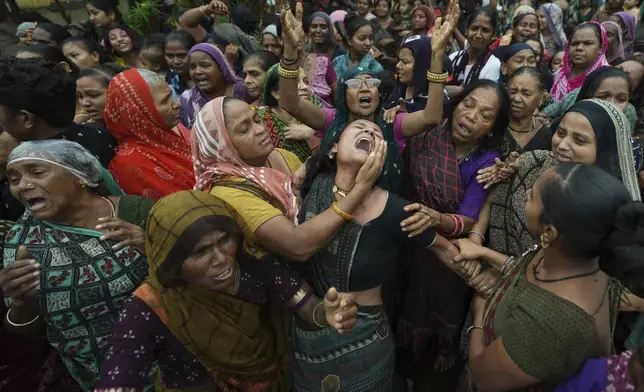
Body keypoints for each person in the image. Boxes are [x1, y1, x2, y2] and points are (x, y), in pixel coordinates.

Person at [95, 191, 359, 392]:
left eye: (225, 241)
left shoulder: (254, 268)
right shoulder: (151, 307)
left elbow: (308, 307)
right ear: (171, 261)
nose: (221, 259)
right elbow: (120, 371)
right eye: (200, 252)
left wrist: (328, 313)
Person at [1, 139, 155, 391]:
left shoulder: (135, 212)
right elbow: (28, 329)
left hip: (168, 357)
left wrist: (150, 247)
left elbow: (196, 275)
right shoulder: (21, 242)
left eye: (37, 172)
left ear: (79, 176)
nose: (23, 185)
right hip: (98, 375)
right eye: (14, 179)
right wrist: (22, 303)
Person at [280, 1, 461, 193]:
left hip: (382, 209)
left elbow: (430, 117)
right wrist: (291, 50)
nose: (365, 88)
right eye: (356, 84)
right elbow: (290, 103)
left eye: (372, 83)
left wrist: (436, 58)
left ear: (379, 94)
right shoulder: (332, 119)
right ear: (342, 94)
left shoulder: (391, 123)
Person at [483, 99, 642, 259]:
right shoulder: (533, 163)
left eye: (579, 140)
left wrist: (499, 264)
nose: (563, 145)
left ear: (604, 149)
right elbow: (500, 217)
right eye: (560, 133)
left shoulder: (611, 206)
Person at [104, 69, 194, 200]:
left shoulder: (176, 131)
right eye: (165, 101)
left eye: (171, 95)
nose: (177, 104)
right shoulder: (129, 164)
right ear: (139, 114)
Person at [255, 64, 319, 161]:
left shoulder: (319, 112)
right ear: (276, 93)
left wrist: (311, 136)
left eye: (306, 81)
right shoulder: (260, 118)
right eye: (294, 83)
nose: (304, 87)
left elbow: (331, 160)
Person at [544, 66, 637, 131]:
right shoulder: (573, 100)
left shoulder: (628, 113)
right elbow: (543, 115)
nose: (612, 105)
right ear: (587, 95)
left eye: (621, 99)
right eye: (602, 97)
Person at [179, 43, 248, 127]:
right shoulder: (185, 101)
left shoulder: (243, 90)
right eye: (192, 67)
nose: (197, 71)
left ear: (222, 68)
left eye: (205, 65)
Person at [448, 7, 501, 97]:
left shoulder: (493, 64)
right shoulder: (454, 58)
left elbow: (483, 97)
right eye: (474, 28)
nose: (478, 35)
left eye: (485, 30)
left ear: (493, 35)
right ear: (466, 30)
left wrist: (460, 91)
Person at [550, 22, 609, 101]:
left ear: (601, 48)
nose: (579, 48)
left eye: (587, 43)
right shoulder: (558, 75)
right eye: (574, 44)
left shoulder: (607, 77)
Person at [504, 66, 552, 157]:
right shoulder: (493, 124)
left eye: (526, 94)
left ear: (542, 98)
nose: (517, 99)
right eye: (512, 91)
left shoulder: (545, 136)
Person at [332, 13, 384, 78]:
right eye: (362, 38)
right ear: (349, 40)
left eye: (370, 38)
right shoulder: (338, 62)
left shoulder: (375, 67)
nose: (368, 43)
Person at [165, 30, 196, 97]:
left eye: (182, 55)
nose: (176, 61)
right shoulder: (170, 77)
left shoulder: (203, 80)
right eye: (170, 56)